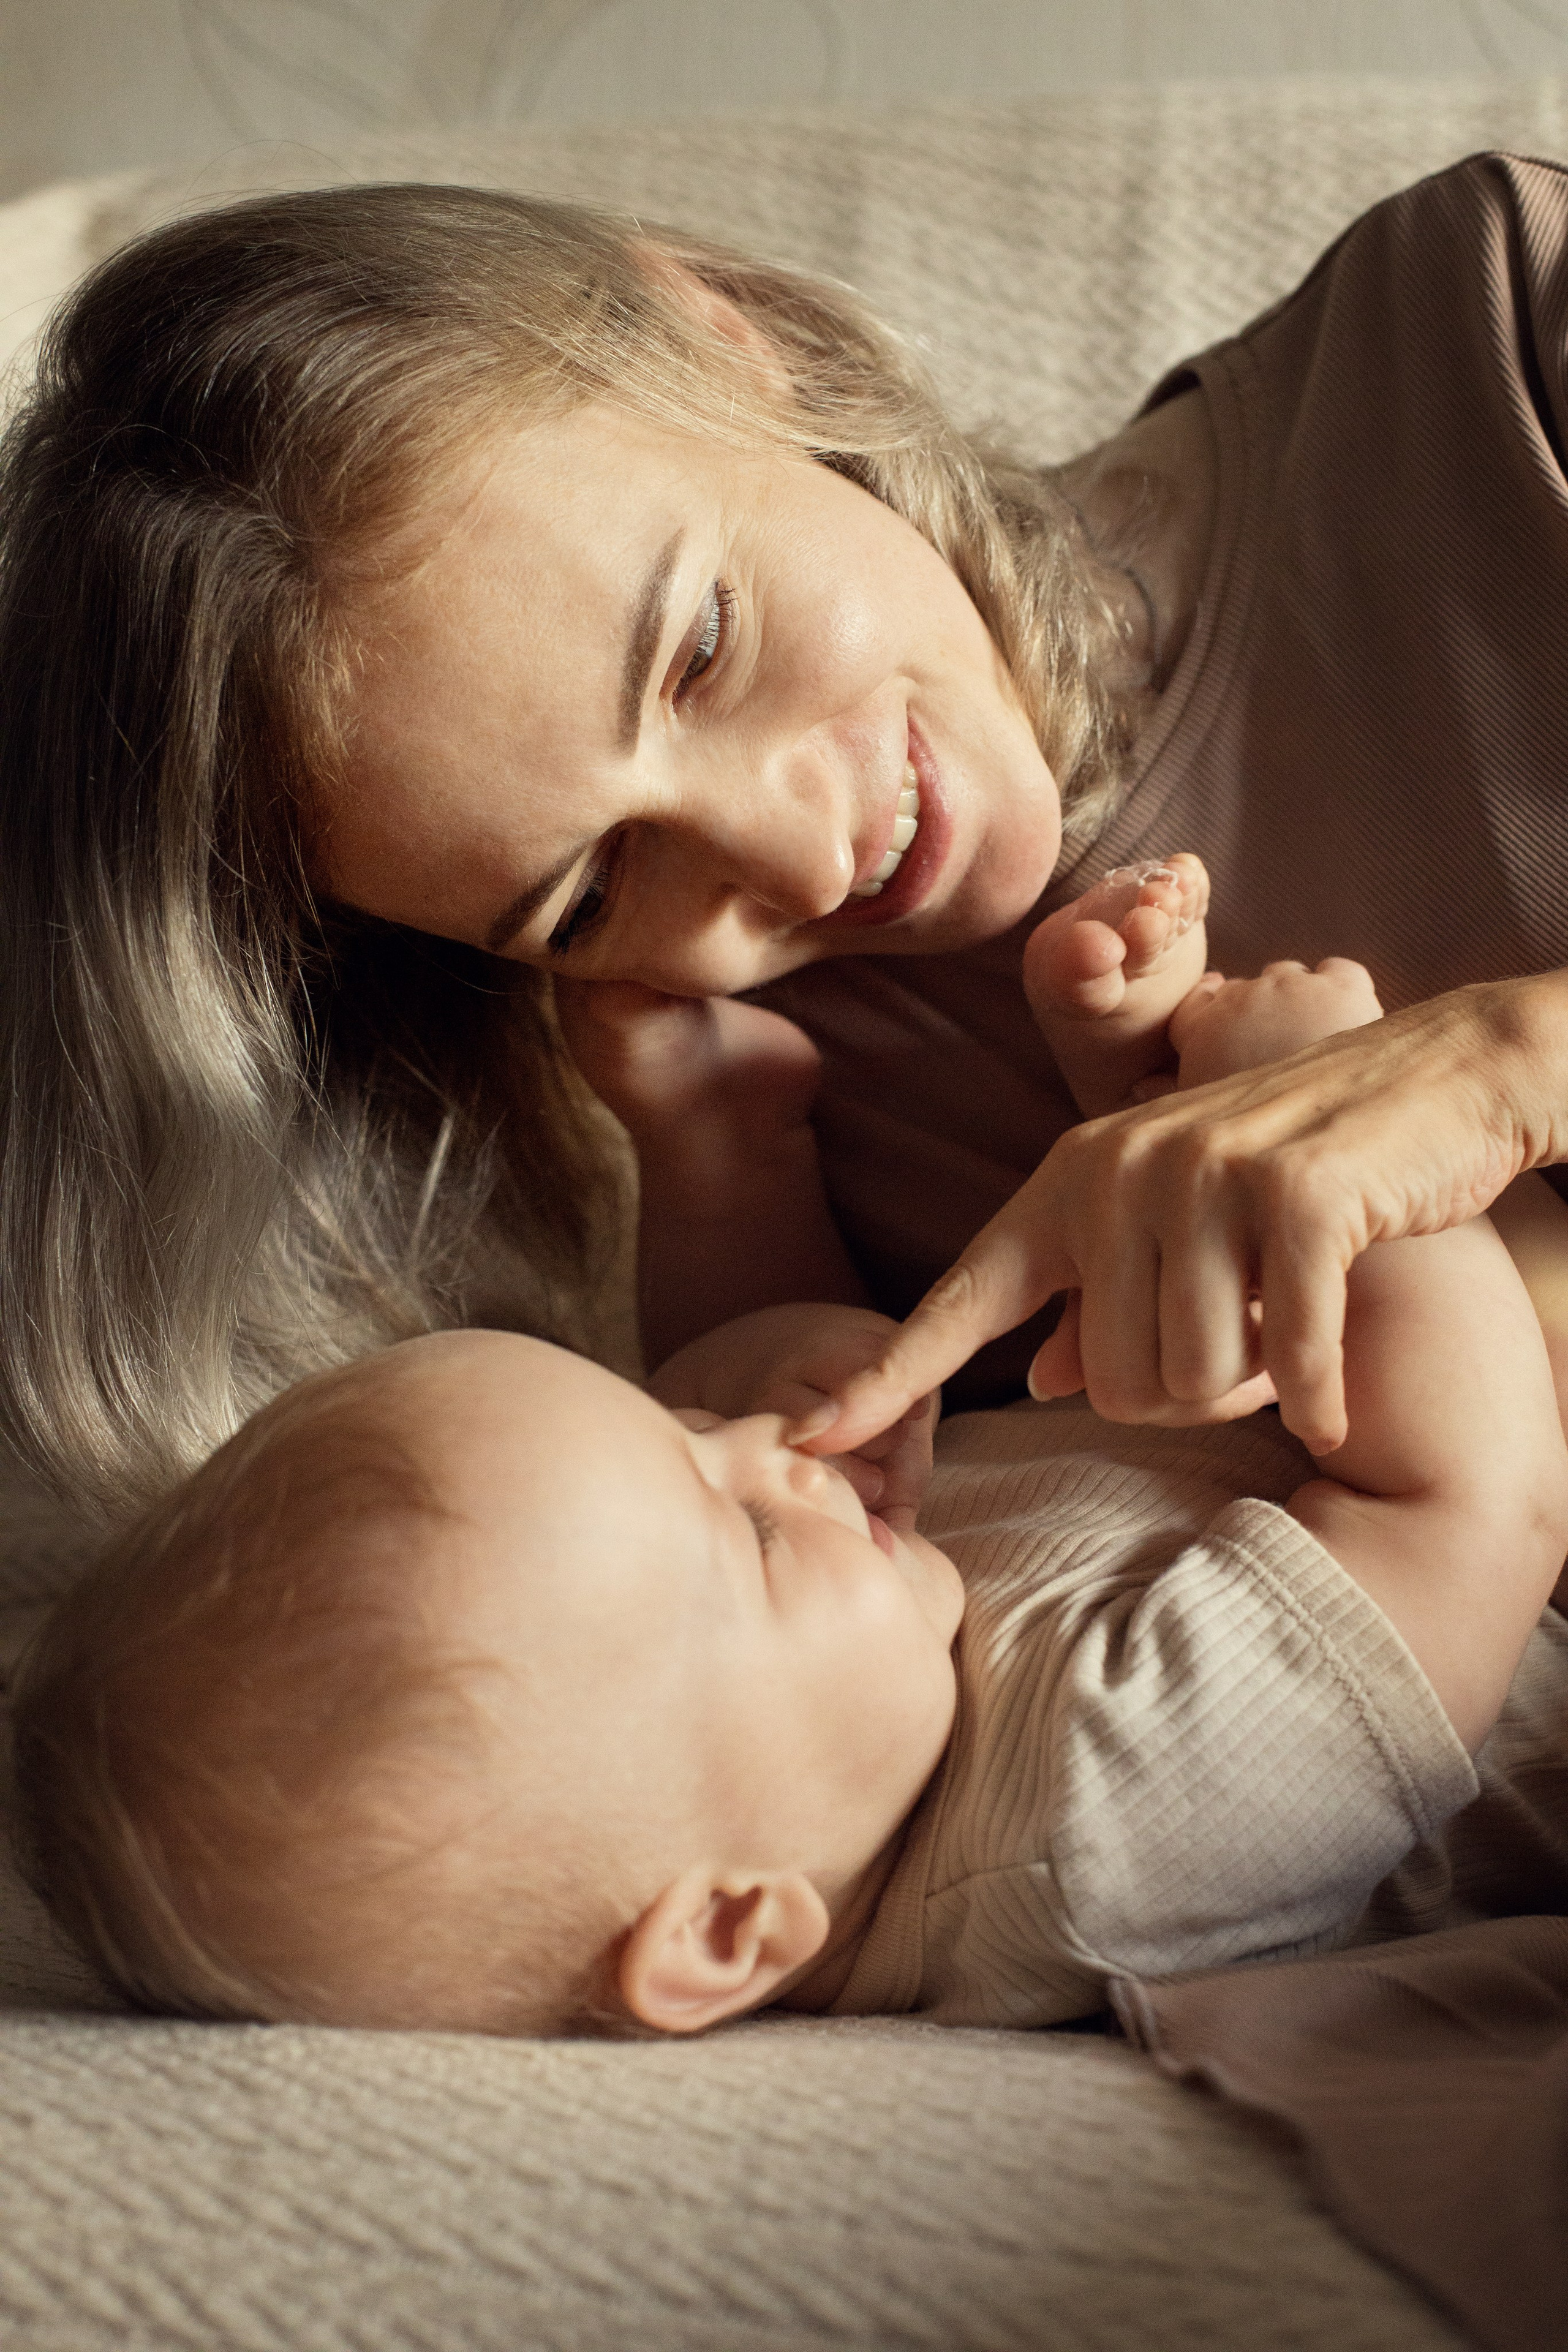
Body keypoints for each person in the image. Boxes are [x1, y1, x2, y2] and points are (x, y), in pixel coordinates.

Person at [6, 154, 1568, 1521]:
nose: (801, 866)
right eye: (591, 890)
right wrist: (723, 1174)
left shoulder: (1470, 341)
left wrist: (1499, 1068)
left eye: (698, 647)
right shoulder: (816, 1128)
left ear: (726, 332)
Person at [13, 920, 1568, 2037]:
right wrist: (1335, 1115)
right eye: (741, 1530)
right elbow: (1470, 1506)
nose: (760, 1450)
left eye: (673, 1430)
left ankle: (740, 1144)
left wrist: (727, 1197)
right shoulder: (1107, 1828)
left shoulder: (819, 1718)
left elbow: (755, 1403)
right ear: (729, 1925)